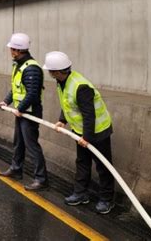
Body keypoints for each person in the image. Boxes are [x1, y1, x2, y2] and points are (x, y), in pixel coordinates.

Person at [43, 51, 115, 214]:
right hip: (80, 132)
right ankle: (81, 193)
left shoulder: (80, 86)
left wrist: (87, 137)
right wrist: (62, 120)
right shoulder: (62, 82)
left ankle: (107, 200)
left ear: (57, 71)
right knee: (82, 163)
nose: (49, 73)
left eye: (50, 71)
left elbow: (89, 114)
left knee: (103, 167)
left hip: (98, 132)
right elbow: (67, 104)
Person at [0, 33, 48, 191]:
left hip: (30, 113)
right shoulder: (18, 65)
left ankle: (41, 179)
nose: (10, 50)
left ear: (17, 50)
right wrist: (6, 101)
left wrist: (20, 109)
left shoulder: (31, 68)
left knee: (32, 146)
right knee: (18, 143)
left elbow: (32, 94)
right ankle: (16, 169)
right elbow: (15, 87)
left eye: (11, 48)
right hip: (22, 112)